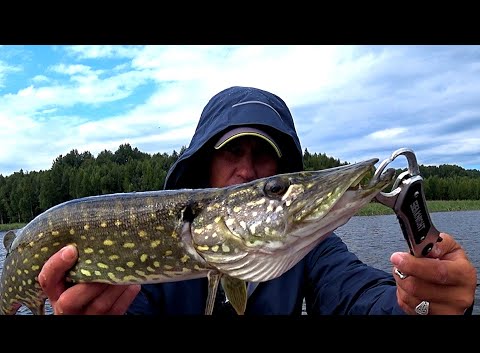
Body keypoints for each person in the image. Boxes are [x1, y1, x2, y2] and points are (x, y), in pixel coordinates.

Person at [38, 85, 477, 315]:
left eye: (266, 161)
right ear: (202, 170)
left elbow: (358, 294)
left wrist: (421, 305)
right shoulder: (154, 254)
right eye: (232, 152)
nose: (246, 171)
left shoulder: (310, 249)